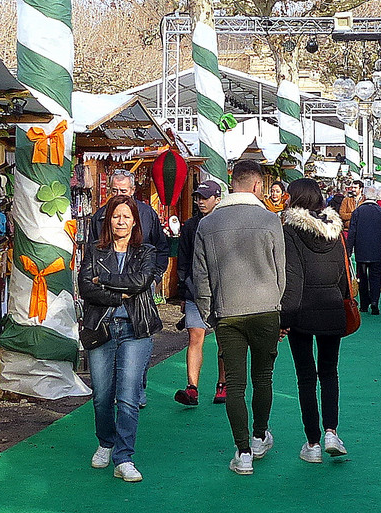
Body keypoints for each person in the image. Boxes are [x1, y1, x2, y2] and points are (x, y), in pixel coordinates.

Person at [193, 159, 289, 475]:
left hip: (227, 311)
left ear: (232, 183)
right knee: (263, 377)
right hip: (265, 308)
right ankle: (260, 435)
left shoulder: (207, 224)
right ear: (257, 186)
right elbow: (281, 271)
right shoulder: (270, 220)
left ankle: (243, 450)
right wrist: (276, 305)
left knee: (235, 382)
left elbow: (201, 275)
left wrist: (210, 313)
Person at [78, 196, 165, 482]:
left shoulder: (146, 251)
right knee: (102, 396)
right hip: (101, 328)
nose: (121, 221)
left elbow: (141, 282)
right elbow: (85, 288)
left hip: (135, 329)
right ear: (108, 220)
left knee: (128, 396)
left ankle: (124, 456)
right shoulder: (93, 251)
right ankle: (105, 441)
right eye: (116, 216)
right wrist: (119, 293)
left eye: (127, 217)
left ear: (135, 222)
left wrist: (103, 281)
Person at [279, 177, 351, 463]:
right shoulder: (335, 231)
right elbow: (343, 275)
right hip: (332, 306)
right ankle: (331, 431)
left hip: (301, 309)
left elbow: (293, 278)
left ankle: (312, 442)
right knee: (330, 372)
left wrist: (285, 317)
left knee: (306, 377)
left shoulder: (290, 231)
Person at [171, 180, 226, 406]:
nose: (199, 201)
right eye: (197, 197)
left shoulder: (225, 224)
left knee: (224, 338)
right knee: (195, 336)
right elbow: (182, 262)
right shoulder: (190, 226)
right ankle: (192, 387)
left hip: (223, 290)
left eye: (204, 197)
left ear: (217, 199)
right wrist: (184, 292)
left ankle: (223, 384)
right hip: (195, 290)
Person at [84, 167, 171, 279]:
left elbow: (161, 248)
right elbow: (91, 251)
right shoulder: (100, 216)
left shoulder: (147, 214)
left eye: (123, 191)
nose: (119, 195)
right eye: (115, 190)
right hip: (106, 282)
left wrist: (155, 278)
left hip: (140, 280)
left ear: (132, 190)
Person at [344, 184, 381, 315]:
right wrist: (380, 239)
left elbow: (352, 232)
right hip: (376, 250)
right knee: (375, 277)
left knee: (363, 277)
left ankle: (364, 303)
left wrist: (349, 249)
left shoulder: (358, 211)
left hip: (361, 250)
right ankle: (375, 302)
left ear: (364, 196)